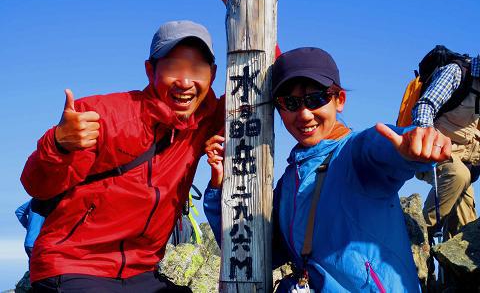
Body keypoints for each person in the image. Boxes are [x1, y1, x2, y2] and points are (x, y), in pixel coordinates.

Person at [204, 47, 451, 292]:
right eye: (289, 103)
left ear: (339, 100)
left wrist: (413, 145)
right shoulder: (290, 179)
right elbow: (266, 252)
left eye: (316, 99)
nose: (303, 114)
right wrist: (221, 188)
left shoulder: (355, 153)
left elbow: (385, 147)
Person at [21, 20, 224, 292]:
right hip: (73, 264)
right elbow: (37, 185)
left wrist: (248, 17)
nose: (185, 82)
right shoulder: (101, 115)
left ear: (212, 74)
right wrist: (59, 144)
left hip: (142, 272)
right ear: (150, 70)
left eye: (197, 69)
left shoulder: (203, 121)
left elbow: (262, 90)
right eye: (173, 68)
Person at [412, 55, 480, 240]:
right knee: (458, 174)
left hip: (462, 156)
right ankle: (418, 237)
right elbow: (425, 107)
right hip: (431, 147)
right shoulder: (457, 73)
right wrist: (429, 142)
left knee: (465, 229)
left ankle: (451, 264)